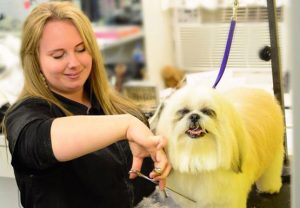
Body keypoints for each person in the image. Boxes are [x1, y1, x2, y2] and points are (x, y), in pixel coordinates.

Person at [3, 2, 171, 208]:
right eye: (58, 55)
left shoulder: (119, 108)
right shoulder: (25, 115)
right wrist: (126, 126)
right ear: (35, 62)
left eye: (81, 49)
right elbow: (38, 142)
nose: (74, 62)